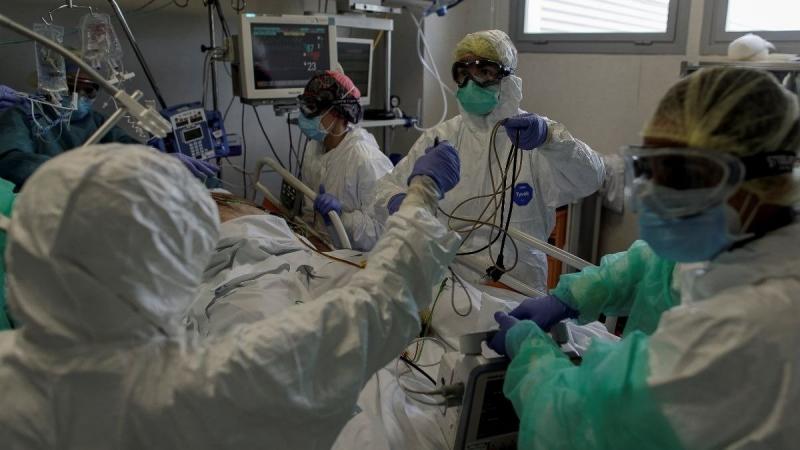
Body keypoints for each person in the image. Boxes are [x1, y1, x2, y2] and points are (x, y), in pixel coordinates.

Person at [0, 138, 461, 448]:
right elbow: (378, 303)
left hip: (289, 260)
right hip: (244, 289)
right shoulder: (205, 382)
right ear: (177, 261)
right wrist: (422, 190)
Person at [489, 67, 800, 449]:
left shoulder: (743, 331)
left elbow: (575, 424)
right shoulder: (744, 241)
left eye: (678, 174)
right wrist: (571, 296)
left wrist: (531, 357)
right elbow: (651, 265)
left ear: (758, 181)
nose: (651, 194)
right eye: (649, 168)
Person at [373, 30, 604, 291]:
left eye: (484, 72)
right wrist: (395, 199)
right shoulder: (442, 138)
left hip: (515, 289)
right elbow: (383, 188)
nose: (472, 83)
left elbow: (592, 177)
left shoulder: (535, 136)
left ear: (507, 79)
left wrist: (550, 139)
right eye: (464, 73)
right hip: (448, 285)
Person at [0, 77, 217, 190]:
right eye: (73, 87)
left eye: (89, 89)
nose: (80, 95)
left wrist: (158, 161)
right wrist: (87, 173)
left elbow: (128, 149)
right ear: (52, 85)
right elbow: (12, 162)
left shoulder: (96, 120)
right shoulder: (24, 115)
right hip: (46, 208)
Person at [297, 70, 394, 251]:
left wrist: (341, 217)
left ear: (338, 113)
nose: (305, 115)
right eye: (305, 106)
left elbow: (384, 233)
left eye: (313, 108)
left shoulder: (366, 160)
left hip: (358, 259)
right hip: (320, 250)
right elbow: (310, 214)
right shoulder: (314, 148)